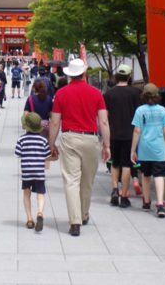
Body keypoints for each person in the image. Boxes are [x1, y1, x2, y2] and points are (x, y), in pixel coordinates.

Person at [47, 58, 110, 236]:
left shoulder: (61, 93)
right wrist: (106, 145)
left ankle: (74, 222)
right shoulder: (96, 93)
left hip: (69, 137)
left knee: (71, 180)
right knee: (87, 180)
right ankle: (83, 214)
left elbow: (54, 122)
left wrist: (52, 144)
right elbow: (103, 121)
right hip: (90, 139)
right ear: (83, 73)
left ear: (69, 74)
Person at [130, 83, 165, 218]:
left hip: (144, 148)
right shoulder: (162, 110)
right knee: (159, 175)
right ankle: (160, 204)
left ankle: (146, 201)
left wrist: (133, 150)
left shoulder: (140, 110)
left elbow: (137, 131)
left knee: (146, 175)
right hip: (159, 148)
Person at [103, 64, 140, 208]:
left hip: (113, 133)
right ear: (129, 76)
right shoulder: (136, 93)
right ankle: (124, 196)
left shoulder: (109, 94)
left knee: (114, 162)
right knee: (126, 164)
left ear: (116, 76)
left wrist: (105, 139)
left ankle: (114, 189)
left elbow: (105, 117)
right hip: (130, 135)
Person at [14, 112, 52, 232]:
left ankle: (29, 218)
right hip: (39, 172)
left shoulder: (22, 139)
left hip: (26, 172)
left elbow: (17, 154)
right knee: (40, 194)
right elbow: (47, 155)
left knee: (26, 193)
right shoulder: (43, 140)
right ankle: (40, 212)